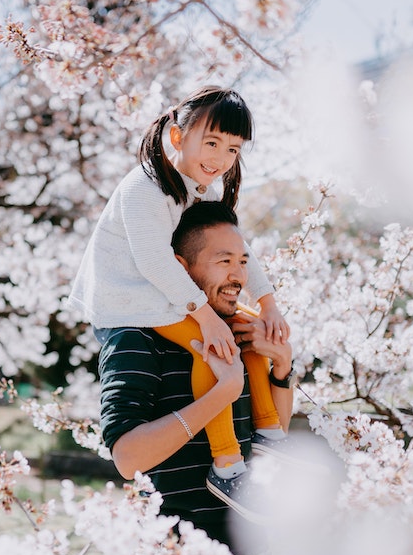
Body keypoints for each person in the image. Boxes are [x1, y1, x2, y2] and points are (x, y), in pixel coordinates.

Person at [69, 86, 292, 505]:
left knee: (246, 326)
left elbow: (243, 251)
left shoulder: (202, 190)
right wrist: (207, 315)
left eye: (232, 149)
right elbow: (154, 261)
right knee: (215, 345)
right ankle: (228, 466)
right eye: (211, 143)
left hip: (167, 296)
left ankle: (270, 433)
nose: (221, 159)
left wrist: (268, 304)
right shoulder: (145, 188)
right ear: (177, 137)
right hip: (130, 303)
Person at [98, 201, 294, 555]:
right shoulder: (136, 338)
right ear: (179, 268)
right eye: (223, 261)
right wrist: (221, 392)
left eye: (242, 261)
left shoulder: (236, 329)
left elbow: (272, 437)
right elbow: (127, 457)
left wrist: (281, 368)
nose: (238, 274)